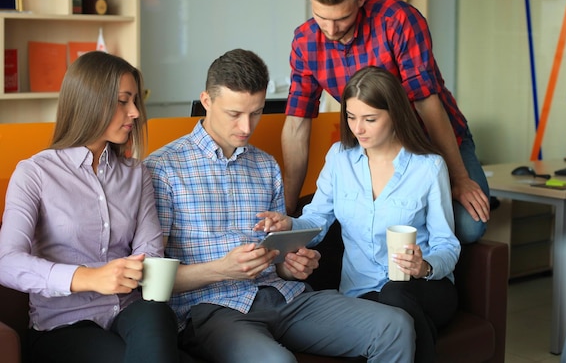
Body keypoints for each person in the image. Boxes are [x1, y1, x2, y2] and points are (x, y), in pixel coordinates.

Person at [144, 49, 416, 362]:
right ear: (206, 101)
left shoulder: (266, 165)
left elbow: (280, 260)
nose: (246, 127)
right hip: (214, 310)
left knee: (395, 325)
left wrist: (291, 266)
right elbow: (151, 280)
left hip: (285, 298)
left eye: (256, 112)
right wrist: (221, 269)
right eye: (234, 114)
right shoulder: (163, 169)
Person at [281, 0, 489, 244]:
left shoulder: (398, 20)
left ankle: (437, 273)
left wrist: (460, 179)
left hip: (434, 137)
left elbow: (427, 104)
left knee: (468, 227)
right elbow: (296, 125)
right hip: (381, 149)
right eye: (321, 18)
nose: (331, 30)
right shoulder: (304, 42)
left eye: (342, 18)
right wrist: (288, 208)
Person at [258, 66, 461, 363]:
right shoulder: (339, 158)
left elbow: (448, 244)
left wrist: (425, 266)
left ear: (394, 114)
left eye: (370, 119)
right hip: (362, 292)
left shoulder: (429, 167)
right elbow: (317, 220)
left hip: (427, 289)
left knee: (396, 295)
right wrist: (289, 224)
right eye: (351, 117)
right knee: (391, 306)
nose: (358, 129)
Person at [0, 51, 180, 363]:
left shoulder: (137, 175)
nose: (135, 112)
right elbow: (7, 262)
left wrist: (141, 269)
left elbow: (150, 256)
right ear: (89, 101)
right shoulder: (34, 173)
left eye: (135, 100)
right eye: (124, 101)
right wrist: (88, 278)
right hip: (64, 324)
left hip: (131, 311)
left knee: (157, 315)